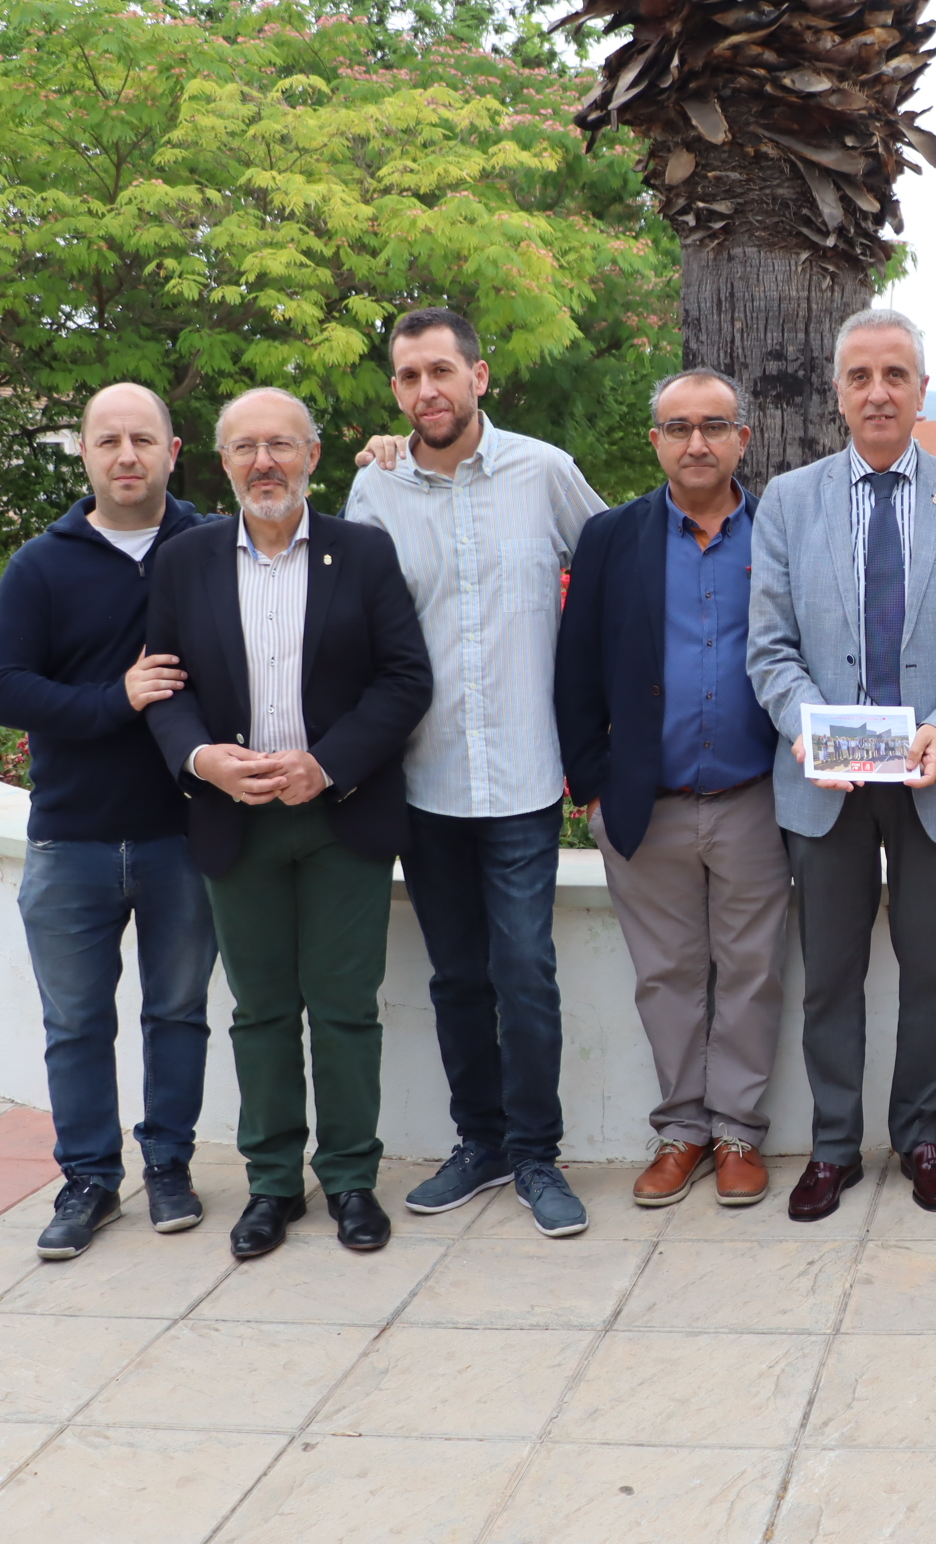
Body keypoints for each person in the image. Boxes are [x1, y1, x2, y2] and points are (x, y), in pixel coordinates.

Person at [145, 387, 433, 1260]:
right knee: (261, 1012)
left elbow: (404, 681)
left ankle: (348, 1178)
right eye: (245, 447)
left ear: (313, 453)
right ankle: (272, 1183)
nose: (263, 462)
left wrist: (326, 763)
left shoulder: (364, 553)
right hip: (235, 822)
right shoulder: (185, 560)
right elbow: (164, 686)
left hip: (340, 815)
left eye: (280, 445)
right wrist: (205, 761)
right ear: (223, 461)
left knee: (346, 1010)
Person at [747, 307, 936, 1221]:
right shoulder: (789, 500)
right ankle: (832, 1149)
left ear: (919, 387)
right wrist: (802, 727)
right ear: (837, 391)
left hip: (935, 779)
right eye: (860, 376)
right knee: (829, 973)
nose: (877, 392)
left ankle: (922, 1138)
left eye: (895, 375)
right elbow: (771, 649)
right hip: (823, 787)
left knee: (930, 970)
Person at [347, 308, 608, 1237]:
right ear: (397, 391)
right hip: (422, 781)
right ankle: (482, 1143)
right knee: (456, 977)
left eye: (442, 372)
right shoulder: (373, 491)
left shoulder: (544, 472)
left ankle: (539, 1154)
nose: (428, 391)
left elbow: (615, 572)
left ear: (480, 376)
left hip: (526, 778)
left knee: (524, 971)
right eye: (410, 377)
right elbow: (343, 625)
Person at [0, 383, 218, 1259]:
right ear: (83, 452)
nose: (126, 455)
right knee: (77, 1023)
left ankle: (169, 1166)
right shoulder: (40, 565)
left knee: (178, 1013)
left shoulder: (212, 546)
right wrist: (113, 699)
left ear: (173, 449)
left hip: (182, 833)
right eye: (109, 439)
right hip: (70, 837)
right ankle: (87, 1181)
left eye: (142, 439)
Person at [556, 367, 786, 1211]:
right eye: (679, 427)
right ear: (654, 440)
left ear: (742, 441)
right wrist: (591, 783)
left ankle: (737, 1135)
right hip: (642, 802)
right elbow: (575, 663)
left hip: (756, 792)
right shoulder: (611, 538)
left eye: (715, 426)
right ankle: (681, 1132)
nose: (698, 442)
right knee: (666, 975)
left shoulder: (778, 532)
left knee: (753, 970)